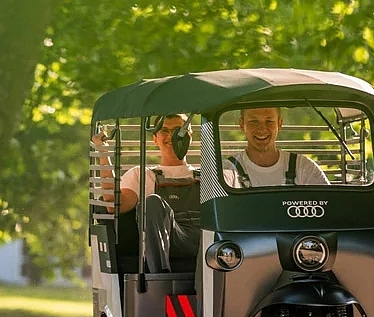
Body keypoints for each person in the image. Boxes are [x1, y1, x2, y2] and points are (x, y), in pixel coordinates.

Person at [92, 114, 199, 274]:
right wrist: (102, 149)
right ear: (155, 138)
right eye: (164, 131)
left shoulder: (210, 175)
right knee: (152, 203)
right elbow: (114, 204)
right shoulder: (142, 175)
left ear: (189, 136)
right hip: (169, 238)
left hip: (204, 239)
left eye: (178, 130)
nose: (171, 136)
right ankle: (159, 276)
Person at [224, 106, 329, 187]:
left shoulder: (303, 167)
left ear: (279, 123)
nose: (262, 129)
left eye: (269, 121)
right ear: (242, 124)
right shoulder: (228, 170)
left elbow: (329, 204)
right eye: (254, 121)